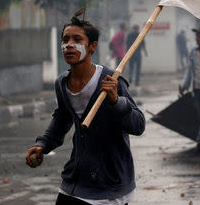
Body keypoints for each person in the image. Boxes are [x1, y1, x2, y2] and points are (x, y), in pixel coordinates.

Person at [26, 16, 145, 205]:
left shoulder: (111, 81)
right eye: (65, 40)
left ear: (92, 46)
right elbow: (61, 119)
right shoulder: (62, 83)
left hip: (110, 184)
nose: (69, 45)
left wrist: (116, 101)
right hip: (76, 180)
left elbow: (139, 125)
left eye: (77, 40)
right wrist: (44, 144)